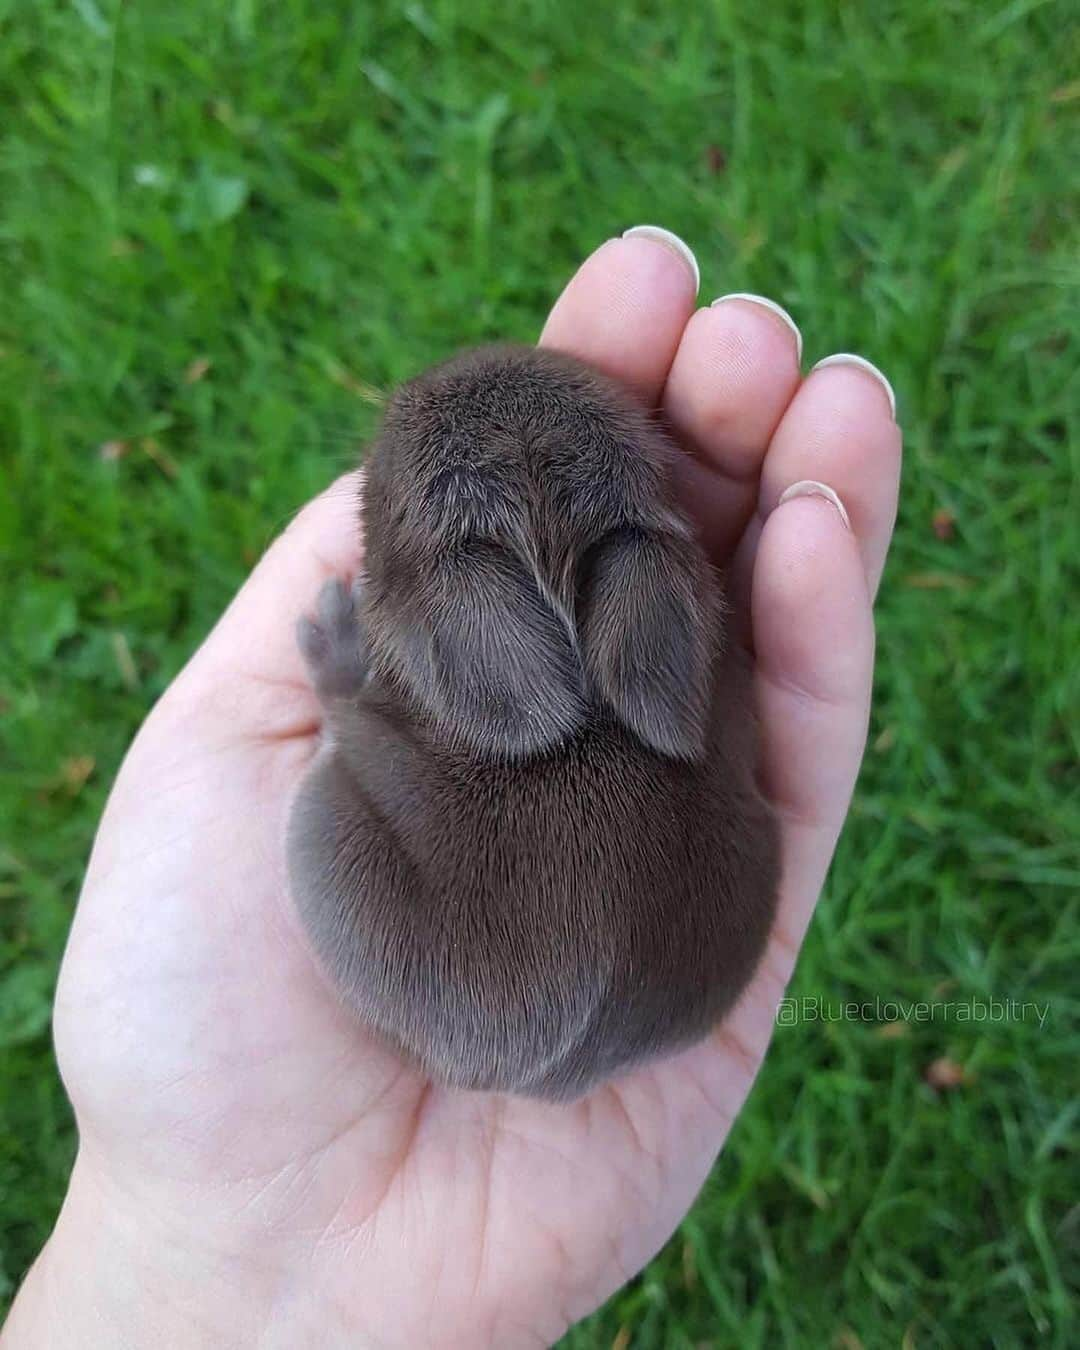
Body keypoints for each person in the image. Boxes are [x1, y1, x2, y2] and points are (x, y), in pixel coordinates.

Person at [1, 227, 901, 1348]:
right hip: (690, 980)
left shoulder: (452, 694)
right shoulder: (680, 630)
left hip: (451, 990)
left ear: (452, 624)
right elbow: (686, 716)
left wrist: (346, 698)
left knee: (351, 815)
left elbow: (405, 767)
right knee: (708, 762)